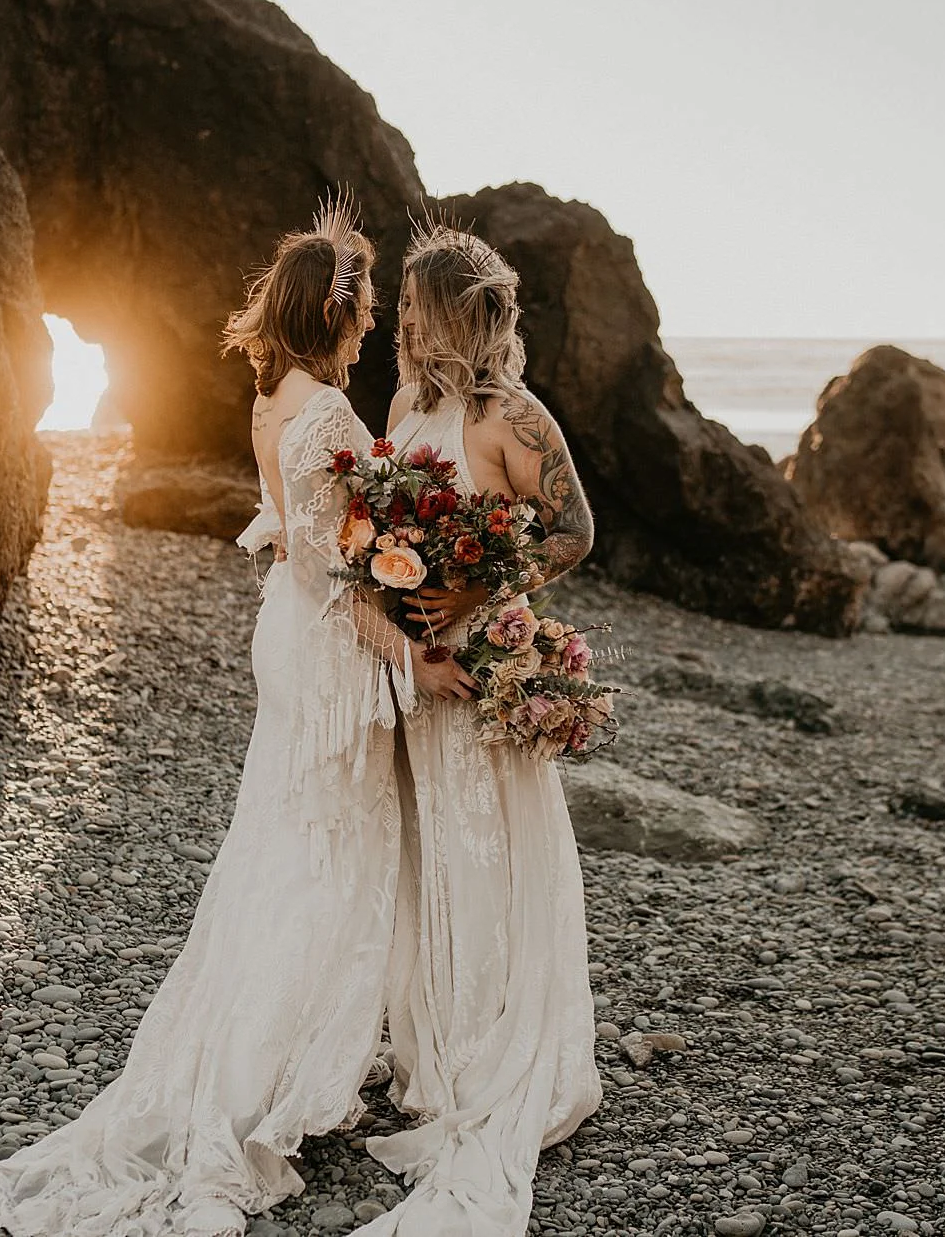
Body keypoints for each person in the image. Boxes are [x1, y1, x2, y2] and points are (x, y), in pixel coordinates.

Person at [0, 199, 470, 1236]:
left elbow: (298, 544)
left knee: (285, 843)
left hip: (286, 641)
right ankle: (268, 1078)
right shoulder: (334, 417)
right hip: (329, 644)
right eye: (364, 308)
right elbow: (335, 570)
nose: (373, 324)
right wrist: (417, 658)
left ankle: (286, 1059)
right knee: (332, 852)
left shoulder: (270, 400)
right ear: (331, 313)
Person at [357, 222, 603, 1236]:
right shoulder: (406, 406)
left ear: (455, 313)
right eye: (401, 309)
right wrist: (392, 599)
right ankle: (436, 1051)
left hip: (482, 655)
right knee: (426, 848)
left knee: (489, 845)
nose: (402, 324)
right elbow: (371, 529)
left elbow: (573, 531)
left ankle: (500, 1048)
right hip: (417, 662)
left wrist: (481, 586)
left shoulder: (514, 416)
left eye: (415, 309)